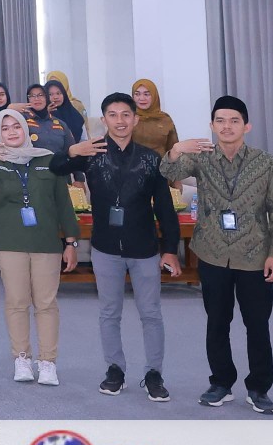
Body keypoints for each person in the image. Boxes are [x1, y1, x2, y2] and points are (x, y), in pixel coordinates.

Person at [163, 96, 273, 415]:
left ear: (246, 126)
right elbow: (168, 170)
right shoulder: (202, 158)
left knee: (257, 325)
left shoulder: (265, 162)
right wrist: (177, 148)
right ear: (212, 125)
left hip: (254, 255)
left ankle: (259, 388)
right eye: (220, 120)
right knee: (217, 322)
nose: (227, 126)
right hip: (213, 253)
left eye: (234, 120)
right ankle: (221, 382)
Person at [52, 91, 182, 401]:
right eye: (113, 115)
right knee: (109, 313)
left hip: (144, 248)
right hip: (105, 248)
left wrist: (170, 249)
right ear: (104, 120)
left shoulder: (151, 159)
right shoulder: (91, 153)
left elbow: (165, 208)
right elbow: (56, 167)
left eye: (126, 115)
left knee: (151, 314)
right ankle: (115, 370)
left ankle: (154, 374)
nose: (120, 121)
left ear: (135, 119)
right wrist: (72, 150)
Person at [0, 109, 79, 386]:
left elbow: (63, 204)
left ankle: (48, 361)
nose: (12, 132)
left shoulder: (47, 159)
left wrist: (71, 241)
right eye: (5, 128)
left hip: (46, 243)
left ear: (25, 129)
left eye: (16, 126)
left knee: (46, 303)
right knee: (16, 302)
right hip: (10, 244)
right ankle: (22, 358)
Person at [130, 79, 178, 155]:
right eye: (137, 94)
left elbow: (173, 149)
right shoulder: (127, 118)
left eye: (146, 94)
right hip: (132, 162)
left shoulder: (165, 119)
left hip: (160, 161)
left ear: (154, 96)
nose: (142, 98)